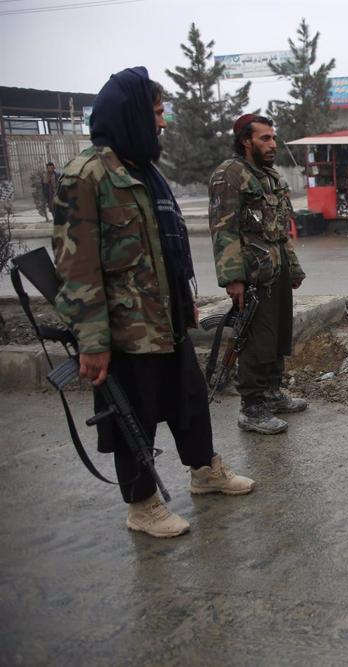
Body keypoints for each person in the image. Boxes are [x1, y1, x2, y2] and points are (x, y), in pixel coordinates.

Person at [51, 67, 254, 539]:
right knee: (133, 419)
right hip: (124, 330)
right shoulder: (86, 176)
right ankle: (142, 506)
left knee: (189, 402)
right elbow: (76, 270)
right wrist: (93, 341)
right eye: (158, 113)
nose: (162, 123)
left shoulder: (145, 171)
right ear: (133, 114)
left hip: (165, 319)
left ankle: (204, 472)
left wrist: (184, 303)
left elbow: (165, 250)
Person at [209, 114, 307, 435]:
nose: (273, 145)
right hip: (252, 274)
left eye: (273, 138)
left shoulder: (271, 177)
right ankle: (251, 408)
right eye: (265, 139)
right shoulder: (230, 175)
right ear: (245, 141)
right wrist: (233, 278)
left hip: (275, 270)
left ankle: (272, 393)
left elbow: (280, 231)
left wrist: (292, 266)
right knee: (255, 339)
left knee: (279, 334)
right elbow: (223, 231)